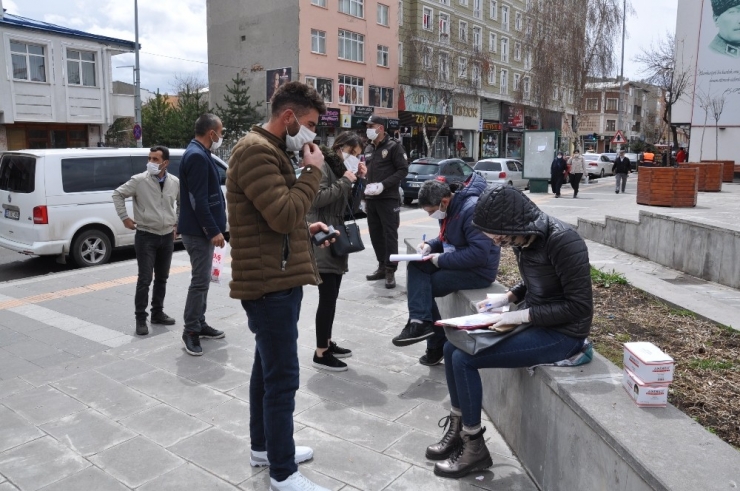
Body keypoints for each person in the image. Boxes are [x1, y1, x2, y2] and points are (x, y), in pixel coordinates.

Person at [425, 185, 592, 479]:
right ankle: (458, 429)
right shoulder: (523, 238)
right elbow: (535, 280)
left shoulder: (565, 241)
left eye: (497, 235)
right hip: (535, 319)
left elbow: (579, 308)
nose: (495, 241)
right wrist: (508, 298)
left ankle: (474, 446)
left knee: (464, 359)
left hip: (563, 335)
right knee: (452, 347)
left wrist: (522, 315)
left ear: (515, 225)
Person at [227, 81, 332, 491]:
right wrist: (312, 171)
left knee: (265, 371)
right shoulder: (256, 151)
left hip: (275, 276)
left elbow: (275, 219)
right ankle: (283, 473)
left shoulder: (268, 150)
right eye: (307, 124)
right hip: (269, 285)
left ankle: (264, 449)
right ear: (287, 117)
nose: (311, 134)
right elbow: (283, 215)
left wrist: (308, 228)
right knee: (283, 378)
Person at [391, 175, 501, 366]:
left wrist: (440, 260)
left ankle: (432, 337)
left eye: (431, 211)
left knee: (423, 289)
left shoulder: (471, 210)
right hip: (459, 262)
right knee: (416, 266)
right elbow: (447, 239)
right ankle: (420, 323)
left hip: (478, 271)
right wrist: (430, 246)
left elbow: (478, 254)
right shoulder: (451, 208)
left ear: (444, 201)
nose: (431, 216)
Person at [307, 132, 367, 372]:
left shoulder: (342, 170)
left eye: (358, 155)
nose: (355, 157)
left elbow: (351, 206)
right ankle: (320, 352)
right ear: (341, 147)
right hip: (323, 235)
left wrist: (358, 182)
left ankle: (327, 342)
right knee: (327, 297)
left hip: (337, 234)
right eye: (352, 153)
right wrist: (344, 181)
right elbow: (316, 199)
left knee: (332, 296)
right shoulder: (323, 165)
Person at [112, 146, 180, 335]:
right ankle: (140, 318)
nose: (151, 162)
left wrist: (177, 224)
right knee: (145, 279)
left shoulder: (174, 182)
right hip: (145, 236)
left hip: (166, 236)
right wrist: (125, 218)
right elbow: (117, 194)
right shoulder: (139, 181)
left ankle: (157, 313)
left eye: (155, 159)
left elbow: (181, 203)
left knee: (162, 278)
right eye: (149, 158)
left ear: (165, 163)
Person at [179, 114, 227, 356]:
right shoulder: (196, 155)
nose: (222, 135)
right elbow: (198, 200)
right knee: (199, 282)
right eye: (221, 131)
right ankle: (190, 331)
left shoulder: (199, 152)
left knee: (203, 280)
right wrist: (213, 231)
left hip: (200, 231)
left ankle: (199, 322)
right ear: (212, 133)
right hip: (198, 233)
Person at [363, 115, 409, 289]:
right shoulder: (368, 148)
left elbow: (403, 170)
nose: (368, 129)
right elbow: (366, 172)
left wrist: (384, 185)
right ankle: (381, 265)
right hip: (371, 198)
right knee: (375, 234)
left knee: (390, 234)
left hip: (388, 198)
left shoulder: (394, 146)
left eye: (371, 126)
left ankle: (390, 269)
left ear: (380, 128)